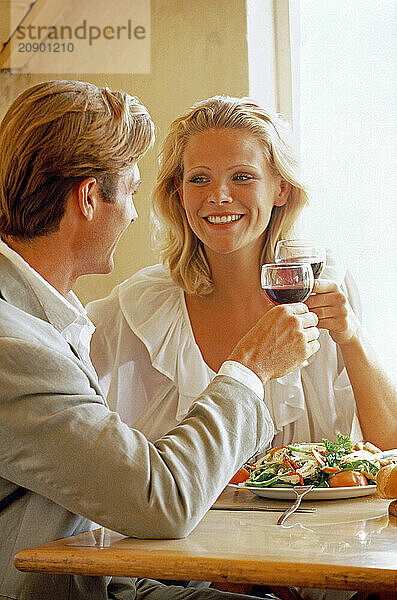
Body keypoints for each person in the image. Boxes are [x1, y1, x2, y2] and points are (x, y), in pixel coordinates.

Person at [0, 82, 321, 600]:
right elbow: (162, 499)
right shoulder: (15, 346)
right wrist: (249, 369)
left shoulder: (43, 319)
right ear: (88, 197)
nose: (130, 213)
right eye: (128, 191)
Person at [88, 94, 396, 456]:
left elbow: (389, 446)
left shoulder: (325, 284)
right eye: (199, 179)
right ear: (179, 190)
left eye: (242, 177)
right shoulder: (141, 306)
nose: (218, 196)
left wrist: (351, 337)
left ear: (281, 188)